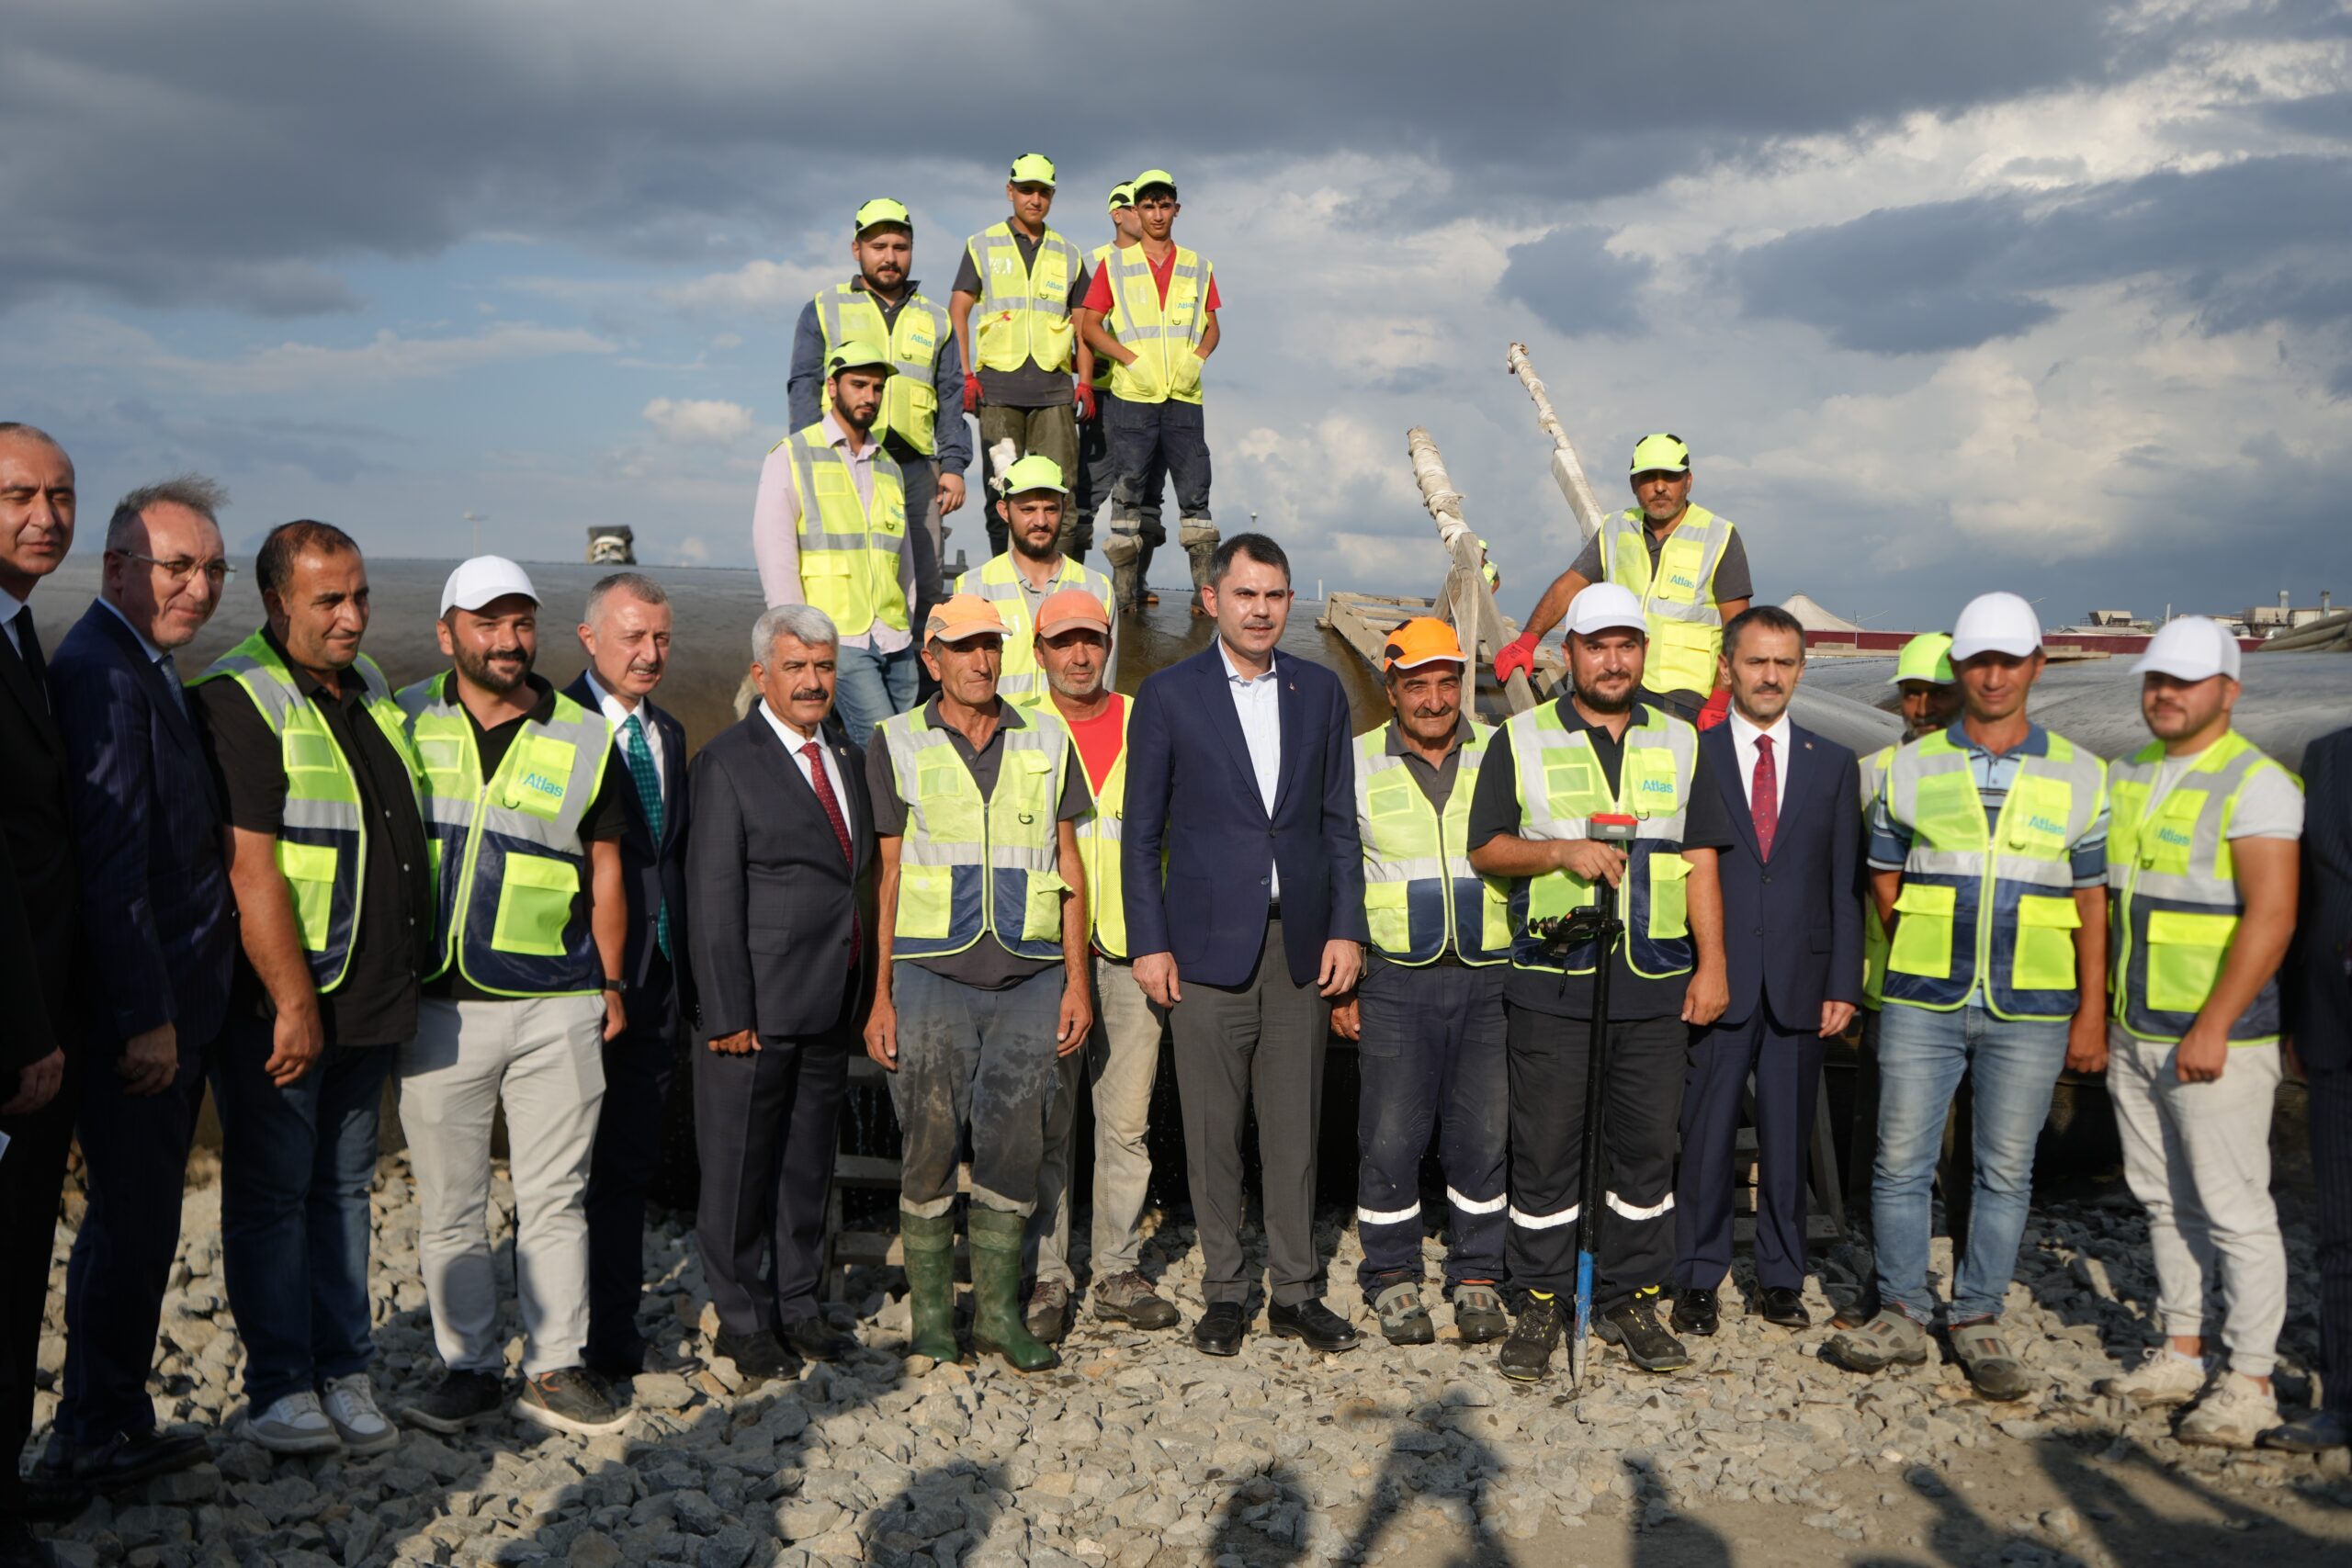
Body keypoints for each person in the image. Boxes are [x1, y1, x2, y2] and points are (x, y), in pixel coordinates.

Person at [1827, 592, 2109, 1401]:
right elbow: (1884, 873)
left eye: (2007, 661)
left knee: (2003, 1169)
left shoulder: (2082, 774)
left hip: (2031, 1004)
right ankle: (1904, 1309)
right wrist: (1924, 934)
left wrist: (2091, 1010)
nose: (1992, 675)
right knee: (1900, 1159)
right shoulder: (1910, 767)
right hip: (1923, 996)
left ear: (2034, 668)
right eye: (1979, 661)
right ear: (1961, 669)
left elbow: (2093, 902)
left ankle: (1978, 1313)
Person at [190, 521, 430, 1461]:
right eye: (328, 600)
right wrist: (292, 1004)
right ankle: (281, 1385)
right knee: (273, 1196)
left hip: (365, 997)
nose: (351, 616)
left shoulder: (368, 688)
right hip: (285, 1007)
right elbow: (250, 870)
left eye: (360, 596)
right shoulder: (237, 699)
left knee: (342, 1192)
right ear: (277, 603)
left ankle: (346, 1368)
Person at [1467, 581, 1733, 1382]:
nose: (1612, 660)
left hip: (1653, 981)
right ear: (1568, 653)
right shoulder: (1522, 737)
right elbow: (1487, 848)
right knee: (1546, 1150)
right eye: (1595, 645)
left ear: (1642, 652)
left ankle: (1630, 1295)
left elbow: (1703, 859)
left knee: (1647, 1150)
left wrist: (1713, 962)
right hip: (1554, 981)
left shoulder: (1683, 741)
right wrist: (1559, 853)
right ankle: (1542, 1298)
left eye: (1626, 645)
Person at [392, 557, 633, 1438]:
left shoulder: (583, 733)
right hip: (436, 1004)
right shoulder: (403, 715)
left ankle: (555, 1364)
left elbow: (606, 868)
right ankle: (464, 1368)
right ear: (448, 630)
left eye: (522, 621)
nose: (508, 640)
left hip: (557, 1002)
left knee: (555, 1194)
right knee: (451, 1202)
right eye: (488, 622)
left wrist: (608, 981)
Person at [1124, 534, 1367, 1358]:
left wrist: (1346, 926)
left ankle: (1296, 1291)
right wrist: (1149, 943)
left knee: (1294, 1128)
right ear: (1212, 599)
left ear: (1289, 602)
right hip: (1203, 950)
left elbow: (1340, 825)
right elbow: (1139, 834)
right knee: (1213, 1127)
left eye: (1275, 595)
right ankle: (1226, 1290)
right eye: (1246, 594)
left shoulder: (1321, 692)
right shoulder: (1169, 696)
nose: (1261, 609)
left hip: (1298, 948)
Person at [43, 478, 237, 1495]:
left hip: (172, 1005)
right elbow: (114, 864)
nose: (198, 588)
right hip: (143, 1022)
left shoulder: (141, 664)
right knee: (127, 1229)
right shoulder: (104, 675)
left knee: (143, 1225)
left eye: (212, 569)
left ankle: (110, 1416)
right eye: (177, 566)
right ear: (117, 568)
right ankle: (90, 1433)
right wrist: (147, 1017)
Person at [864, 594, 1093, 1372]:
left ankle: (997, 1315)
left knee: (1014, 1144)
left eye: (991, 645)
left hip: (1031, 977)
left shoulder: (1048, 736)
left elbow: (1070, 864)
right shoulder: (894, 741)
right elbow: (888, 876)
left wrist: (1077, 983)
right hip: (930, 975)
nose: (981, 661)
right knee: (928, 1142)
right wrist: (881, 995)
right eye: (963, 648)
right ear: (930, 658)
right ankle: (934, 1320)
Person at [2087, 618, 2300, 1447]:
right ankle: (2182, 1347)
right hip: (2140, 1025)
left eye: (2185, 680)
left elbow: (2273, 914)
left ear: (2228, 691)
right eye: (2155, 680)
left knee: (2236, 1208)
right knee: (2163, 1197)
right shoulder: (2133, 772)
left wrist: (2213, 1024)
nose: (2165, 693)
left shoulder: (2258, 783)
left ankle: (2250, 1378)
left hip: (2217, 1038)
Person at [687, 604, 874, 1381]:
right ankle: (741, 1317)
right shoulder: (728, 761)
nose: (812, 681)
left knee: (805, 1169)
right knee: (737, 1173)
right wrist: (726, 1011)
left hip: (829, 1002)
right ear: (762, 673)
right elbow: (710, 894)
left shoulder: (847, 755)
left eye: (824, 667)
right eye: (795, 667)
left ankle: (799, 1305)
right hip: (755, 1011)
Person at [1670, 605, 1861, 1338]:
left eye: (1785, 662)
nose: (1771, 675)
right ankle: (1696, 1277)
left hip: (1799, 982)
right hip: (1716, 979)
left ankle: (1782, 1278)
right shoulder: (1697, 754)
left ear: (1802, 670)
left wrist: (1843, 980)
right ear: (1728, 667)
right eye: (1757, 661)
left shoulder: (1833, 763)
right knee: (1708, 1134)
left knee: (1786, 1141)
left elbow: (1842, 883)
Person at [1330, 617, 1511, 1347]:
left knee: (1485, 1135)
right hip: (1397, 980)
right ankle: (1392, 1274)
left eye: (1446, 683)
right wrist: (1342, 986)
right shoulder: (1352, 761)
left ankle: (1477, 1274)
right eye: (1417, 685)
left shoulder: (1501, 753)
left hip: (1489, 975)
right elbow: (1339, 874)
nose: (1435, 700)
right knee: (1390, 1135)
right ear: (1390, 688)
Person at [1020, 590, 1182, 1339]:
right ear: (1039, 649)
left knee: (1125, 1121)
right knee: (1048, 1120)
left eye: (1092, 640)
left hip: (1130, 950)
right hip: (1046, 955)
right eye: (1064, 642)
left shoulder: (1146, 719)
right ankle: (1048, 1276)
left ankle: (1115, 1266)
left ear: (1109, 643)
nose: (1080, 655)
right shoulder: (1019, 728)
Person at [563, 573, 693, 1382]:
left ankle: (612, 1333)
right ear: (588, 639)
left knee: (628, 1166)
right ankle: (558, 1336)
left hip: (657, 983)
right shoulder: (556, 727)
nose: (649, 655)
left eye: (662, 640)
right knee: (564, 1169)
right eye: (632, 638)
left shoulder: (669, 733)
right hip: (577, 980)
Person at [0, 424, 85, 1565]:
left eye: (61, 495)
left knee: (22, 1267)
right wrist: (25, 1031)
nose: (46, 516)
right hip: (11, 1026)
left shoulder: (22, 631)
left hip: (43, 1011)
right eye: (19, 494)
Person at [1834, 632, 1965, 1329]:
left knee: (1963, 1159)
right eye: (1911, 692)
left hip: (1969, 992)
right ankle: (1880, 1286)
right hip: (1890, 991)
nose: (1921, 705)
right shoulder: (1872, 771)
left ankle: (1973, 1296)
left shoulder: (1980, 772)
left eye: (1936, 692)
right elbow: (1849, 884)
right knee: (1883, 1157)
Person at [789, 197, 972, 615]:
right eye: (879, 246)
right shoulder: (824, 308)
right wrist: (805, 453)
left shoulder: (937, 318)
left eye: (900, 247)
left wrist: (954, 466)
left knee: (925, 583)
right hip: (843, 463)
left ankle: (923, 679)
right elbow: (804, 384)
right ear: (857, 249)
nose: (890, 257)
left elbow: (950, 396)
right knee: (848, 573)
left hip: (917, 468)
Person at [1492, 434, 1753, 724]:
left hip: (1684, 701)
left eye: (1670, 476)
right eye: (1647, 477)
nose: (1659, 486)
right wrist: (1527, 641)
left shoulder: (1719, 535)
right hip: (1618, 685)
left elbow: (1738, 629)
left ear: (1688, 481)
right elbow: (1568, 586)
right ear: (1632, 484)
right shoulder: (1616, 527)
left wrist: (1719, 701)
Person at [752, 339, 919, 745]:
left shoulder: (889, 467)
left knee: (915, 750)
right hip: (838, 638)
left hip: (896, 639)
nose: (870, 396)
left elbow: (904, 558)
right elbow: (776, 560)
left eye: (878, 388)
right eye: (859, 384)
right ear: (831, 387)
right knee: (886, 749)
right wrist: (802, 643)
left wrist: (906, 621)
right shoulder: (791, 456)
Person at [1077, 169, 1222, 616]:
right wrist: (1129, 359)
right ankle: (1123, 596)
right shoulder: (1114, 265)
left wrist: (1197, 357)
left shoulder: (1198, 265)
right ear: (1137, 211)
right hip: (1132, 398)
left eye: (1165, 205)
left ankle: (1205, 594)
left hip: (1183, 396)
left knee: (1195, 495)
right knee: (1128, 494)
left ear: (1176, 209)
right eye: (1149, 205)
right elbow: (1089, 326)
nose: (1157, 213)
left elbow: (1212, 324)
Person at [2268, 721, 2352, 1454]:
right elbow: (2309, 898)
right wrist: (2296, 1018)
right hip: (2335, 1030)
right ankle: (2343, 1399)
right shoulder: (2326, 756)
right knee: (2339, 1233)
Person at [950, 152, 1089, 550]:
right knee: (1003, 492)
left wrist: (1085, 383)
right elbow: (958, 310)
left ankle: (1063, 589)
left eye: (1043, 192)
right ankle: (1004, 583)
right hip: (997, 391)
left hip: (1054, 392)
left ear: (1052, 196)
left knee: (1061, 492)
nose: (1035, 199)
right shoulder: (982, 245)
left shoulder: (1069, 253)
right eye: (1026, 190)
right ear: (1010, 191)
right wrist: (965, 375)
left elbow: (1083, 325)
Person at [951, 455, 1115, 708]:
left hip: (1070, 740)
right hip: (1003, 741)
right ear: (1004, 511)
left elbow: (1106, 688)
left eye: (1050, 509)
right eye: (1027, 510)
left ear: (1065, 508)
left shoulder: (1097, 588)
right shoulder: (972, 587)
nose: (1040, 521)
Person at [1074, 182, 1165, 598]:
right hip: (1109, 393)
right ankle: (1071, 580)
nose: (1145, 214)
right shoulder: (1093, 262)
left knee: (1146, 491)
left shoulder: (1165, 262)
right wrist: (1086, 384)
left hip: (1152, 395)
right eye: (1135, 207)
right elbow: (1082, 329)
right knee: (1091, 486)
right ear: (1117, 214)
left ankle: (1133, 583)